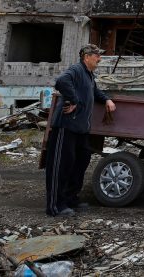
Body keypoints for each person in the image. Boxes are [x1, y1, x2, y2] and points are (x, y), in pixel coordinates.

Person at [45, 43, 116, 216]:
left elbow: (95, 92)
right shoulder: (76, 70)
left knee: (79, 163)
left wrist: (107, 99)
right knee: (61, 166)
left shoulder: (89, 75)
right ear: (86, 57)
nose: (99, 58)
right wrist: (74, 100)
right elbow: (61, 81)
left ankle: (70, 198)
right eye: (97, 55)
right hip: (66, 126)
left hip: (81, 129)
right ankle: (55, 206)